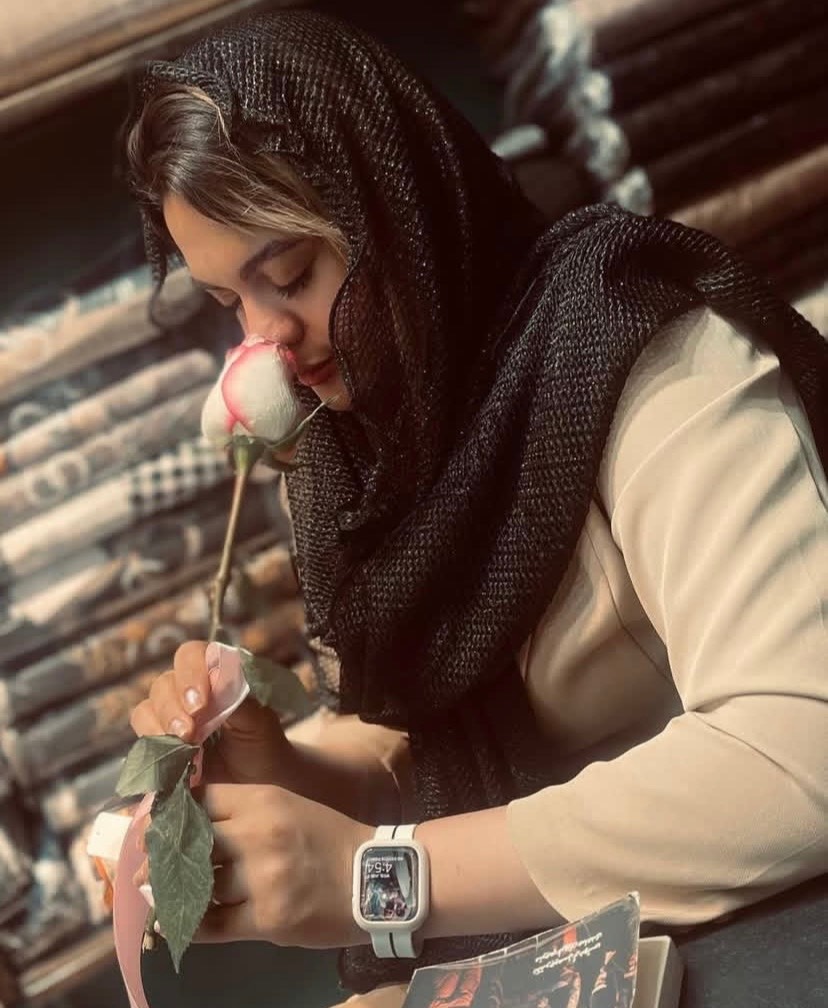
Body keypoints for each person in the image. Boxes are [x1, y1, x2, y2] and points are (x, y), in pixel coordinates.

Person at [124, 8, 828, 1008]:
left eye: (288, 275)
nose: (265, 339)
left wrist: (376, 876)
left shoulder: (647, 358)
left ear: (394, 215)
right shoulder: (368, 441)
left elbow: (798, 753)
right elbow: (443, 742)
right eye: (228, 302)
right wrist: (291, 772)